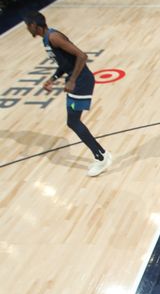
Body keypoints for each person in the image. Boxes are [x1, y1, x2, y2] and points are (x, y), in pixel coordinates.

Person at [23, 11, 112, 177]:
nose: (27, 29)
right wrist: (53, 78)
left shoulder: (53, 37)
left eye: (28, 26)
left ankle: (102, 157)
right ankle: (101, 155)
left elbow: (82, 56)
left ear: (34, 25)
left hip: (81, 81)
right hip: (77, 80)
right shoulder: (47, 38)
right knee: (73, 121)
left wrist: (72, 81)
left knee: (73, 121)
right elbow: (65, 63)